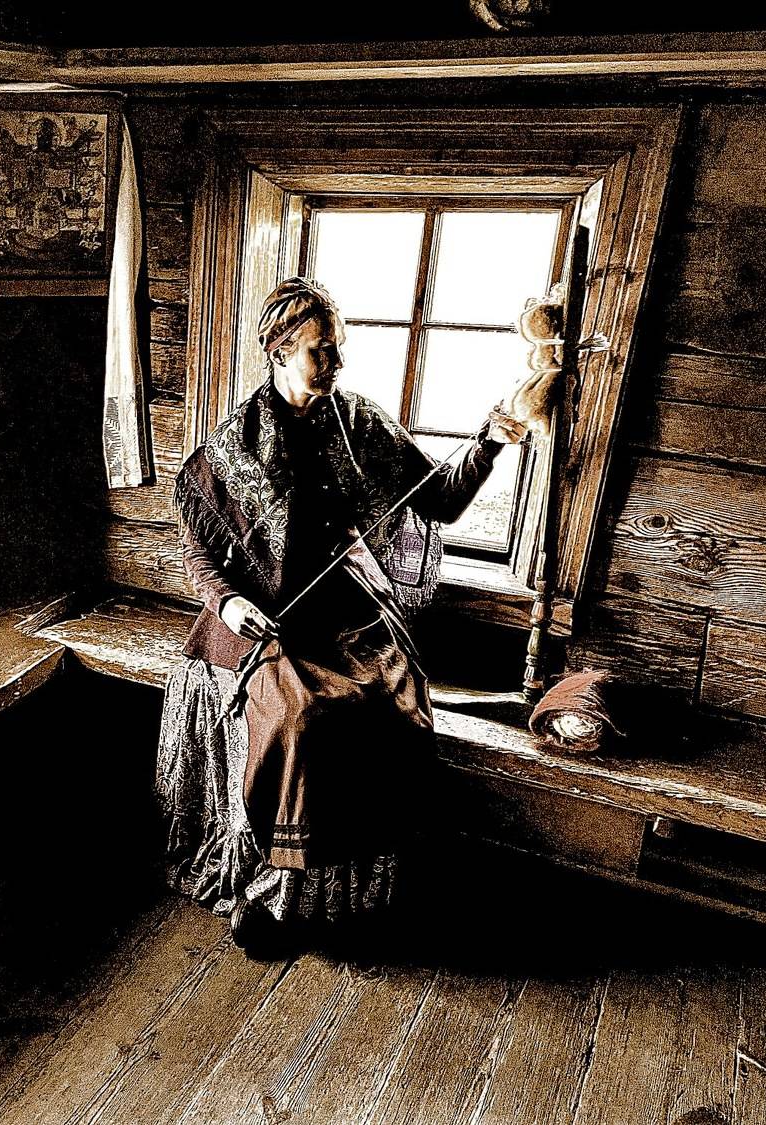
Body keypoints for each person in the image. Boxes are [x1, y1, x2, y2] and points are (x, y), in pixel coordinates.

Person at [156, 276, 528, 952]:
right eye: (321, 351)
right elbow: (197, 551)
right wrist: (229, 602)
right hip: (264, 617)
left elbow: (440, 499)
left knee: (401, 697)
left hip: (345, 609)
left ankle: (364, 895)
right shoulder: (232, 447)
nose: (337, 362)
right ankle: (276, 896)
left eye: (338, 347)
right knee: (303, 716)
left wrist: (489, 442)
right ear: (279, 352)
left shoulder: (358, 422)